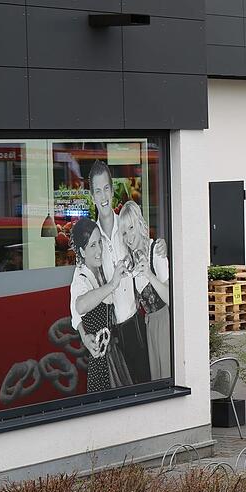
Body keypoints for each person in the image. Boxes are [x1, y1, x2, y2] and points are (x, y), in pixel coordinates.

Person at [79, 161, 151, 383]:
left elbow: (147, 246)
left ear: (112, 189)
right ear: (92, 195)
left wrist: (160, 246)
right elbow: (78, 294)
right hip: (108, 333)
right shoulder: (91, 239)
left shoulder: (126, 226)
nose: (103, 196)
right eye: (98, 191)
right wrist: (82, 333)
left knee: (145, 388)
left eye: (106, 188)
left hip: (135, 325)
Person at [69, 218, 133, 393]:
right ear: (82, 251)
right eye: (92, 246)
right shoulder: (81, 280)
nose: (99, 250)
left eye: (99, 243)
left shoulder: (100, 264)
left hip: (115, 353)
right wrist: (112, 284)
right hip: (102, 361)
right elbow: (79, 307)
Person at [118, 201, 171, 381]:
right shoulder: (131, 261)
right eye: (124, 232)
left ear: (139, 224)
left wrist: (148, 273)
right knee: (156, 378)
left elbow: (170, 298)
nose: (128, 236)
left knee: (167, 375)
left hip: (165, 322)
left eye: (131, 228)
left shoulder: (156, 250)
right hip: (149, 327)